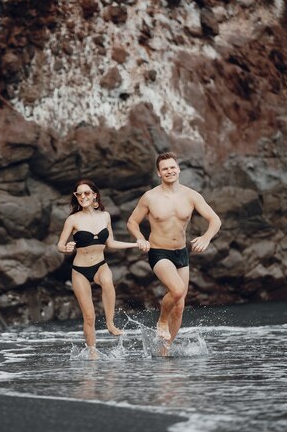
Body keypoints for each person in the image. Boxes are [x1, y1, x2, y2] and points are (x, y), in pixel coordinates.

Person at [127, 152, 221, 349]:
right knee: (177, 290)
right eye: (165, 169)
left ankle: (164, 349)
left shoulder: (191, 195)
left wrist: (205, 237)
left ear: (178, 169)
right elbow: (132, 222)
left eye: (172, 167)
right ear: (159, 173)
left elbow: (215, 220)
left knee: (179, 307)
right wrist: (140, 238)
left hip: (181, 253)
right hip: (159, 252)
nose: (169, 171)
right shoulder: (150, 197)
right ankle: (161, 321)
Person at [57, 178, 140, 357]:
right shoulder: (72, 220)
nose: (83, 196)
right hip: (80, 270)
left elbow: (110, 242)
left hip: (100, 265)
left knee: (108, 281)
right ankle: (92, 351)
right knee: (89, 317)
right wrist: (66, 248)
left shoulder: (105, 216)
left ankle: (110, 323)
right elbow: (60, 245)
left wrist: (135, 244)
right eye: (79, 194)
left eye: (87, 193)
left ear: (94, 195)